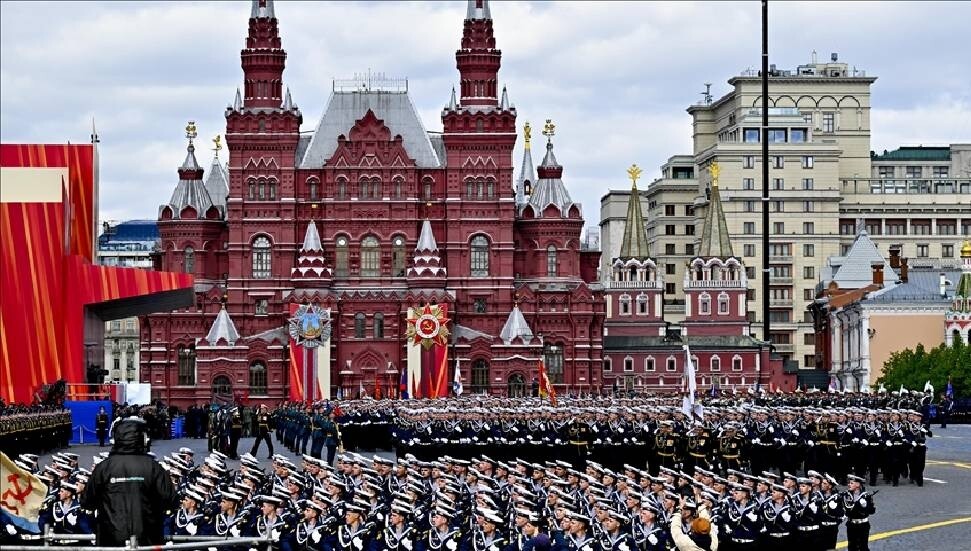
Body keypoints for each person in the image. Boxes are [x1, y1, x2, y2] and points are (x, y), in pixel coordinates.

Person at [81, 417, 177, 546]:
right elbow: (170, 500)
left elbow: (87, 502)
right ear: (142, 439)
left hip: (111, 538)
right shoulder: (153, 467)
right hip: (147, 538)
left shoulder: (104, 468)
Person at [843, 475, 875, 551]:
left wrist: (864, 506)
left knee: (863, 547)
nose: (849, 485)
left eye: (851, 483)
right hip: (851, 524)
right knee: (851, 547)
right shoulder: (847, 495)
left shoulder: (866, 496)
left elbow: (872, 511)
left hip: (863, 525)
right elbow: (847, 510)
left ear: (857, 484)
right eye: (849, 483)